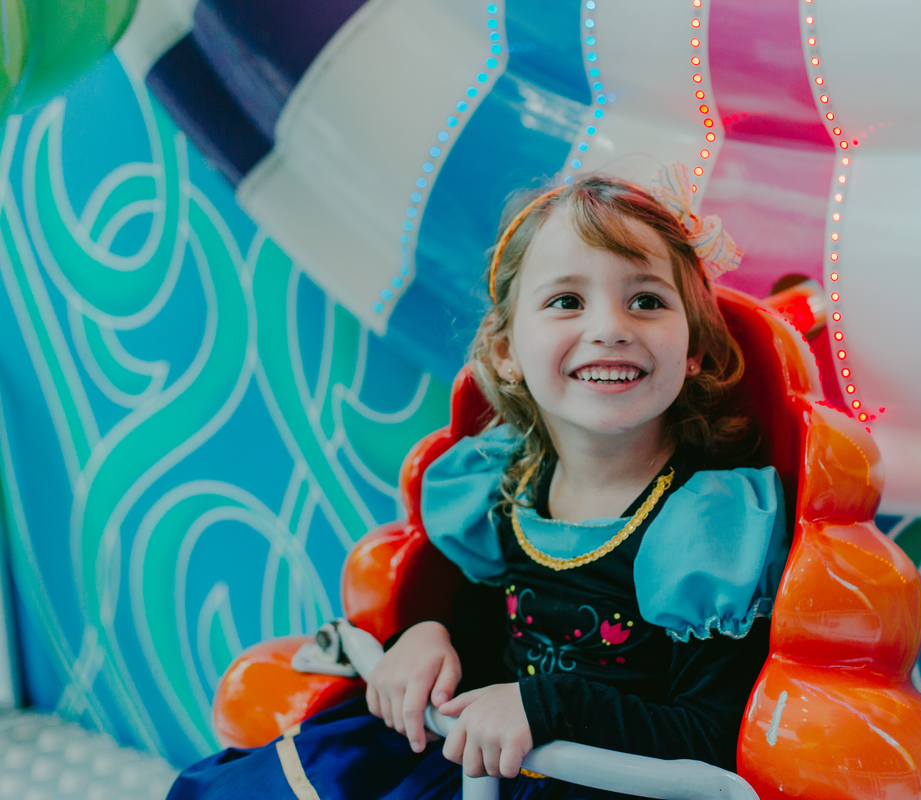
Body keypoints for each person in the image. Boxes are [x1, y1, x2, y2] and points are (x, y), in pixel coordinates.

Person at [169, 165, 790, 800]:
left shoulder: (711, 526)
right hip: (486, 767)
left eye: (648, 301)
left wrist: (546, 706)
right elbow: (483, 636)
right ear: (506, 354)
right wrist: (427, 641)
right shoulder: (503, 487)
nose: (610, 327)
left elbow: (712, 736)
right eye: (566, 301)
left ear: (693, 351)